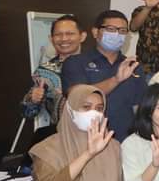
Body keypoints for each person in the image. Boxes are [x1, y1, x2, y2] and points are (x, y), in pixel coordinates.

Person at [62, 10, 147, 141]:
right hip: (85, 140)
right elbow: (76, 96)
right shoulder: (75, 62)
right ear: (95, 32)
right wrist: (116, 80)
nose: (117, 34)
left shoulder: (133, 66)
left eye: (122, 31)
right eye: (111, 29)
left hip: (125, 142)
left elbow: (139, 108)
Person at [21, 14, 86, 134]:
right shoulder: (45, 71)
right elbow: (27, 113)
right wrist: (33, 100)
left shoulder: (95, 65)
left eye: (70, 33)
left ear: (82, 36)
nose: (64, 39)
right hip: (60, 137)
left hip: (96, 134)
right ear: (51, 39)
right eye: (58, 34)